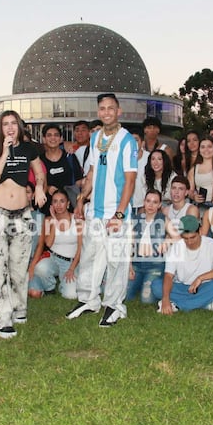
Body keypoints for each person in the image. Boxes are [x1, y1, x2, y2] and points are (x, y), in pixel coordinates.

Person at [66, 93, 137, 328]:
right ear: (99, 112)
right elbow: (92, 173)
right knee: (90, 258)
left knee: (116, 262)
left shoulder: (127, 140)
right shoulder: (96, 138)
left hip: (116, 214)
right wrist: (81, 198)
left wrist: (119, 214)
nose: (106, 112)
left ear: (118, 111)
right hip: (95, 212)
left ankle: (115, 305)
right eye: (102, 108)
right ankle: (89, 300)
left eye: (111, 108)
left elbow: (130, 181)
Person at [0, 110, 47, 339]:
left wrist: (39, 187)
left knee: (19, 266)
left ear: (19, 126)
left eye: (13, 123)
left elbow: (39, 172)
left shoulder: (29, 148)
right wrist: (5, 152)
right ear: (0, 129)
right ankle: (2, 316)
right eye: (5, 124)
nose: (10, 127)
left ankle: (19, 307)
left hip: (22, 214)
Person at [152, 215, 213, 314]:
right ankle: (205, 303)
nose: (189, 242)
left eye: (192, 237)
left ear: (200, 232)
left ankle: (178, 305)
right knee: (156, 286)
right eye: (186, 238)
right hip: (181, 286)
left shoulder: (212, 245)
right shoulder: (176, 248)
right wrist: (165, 299)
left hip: (204, 286)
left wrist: (200, 278)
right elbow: (168, 275)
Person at [27, 190, 81, 299]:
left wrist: (71, 269)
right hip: (53, 258)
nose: (59, 205)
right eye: (55, 201)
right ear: (51, 205)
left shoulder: (77, 220)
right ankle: (49, 287)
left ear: (68, 203)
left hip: (70, 262)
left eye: (62, 201)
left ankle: (63, 284)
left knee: (71, 295)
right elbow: (48, 243)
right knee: (40, 268)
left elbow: (80, 248)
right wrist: (54, 221)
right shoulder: (48, 220)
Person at [127, 190, 167, 304]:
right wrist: (129, 266)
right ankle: (142, 283)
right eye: (148, 201)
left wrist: (167, 241)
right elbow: (130, 244)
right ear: (144, 202)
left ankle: (148, 283)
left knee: (147, 300)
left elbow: (178, 236)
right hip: (137, 264)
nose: (150, 205)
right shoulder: (135, 219)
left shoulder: (163, 219)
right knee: (125, 295)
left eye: (155, 202)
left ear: (159, 205)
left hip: (154, 266)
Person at [38, 123, 83, 215]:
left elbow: (79, 182)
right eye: (49, 135)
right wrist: (47, 188)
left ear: (61, 138)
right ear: (44, 139)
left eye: (56, 135)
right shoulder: (39, 161)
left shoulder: (69, 157)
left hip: (69, 209)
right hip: (47, 210)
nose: (53, 138)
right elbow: (36, 183)